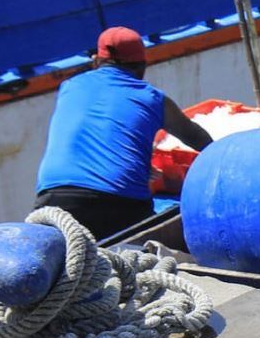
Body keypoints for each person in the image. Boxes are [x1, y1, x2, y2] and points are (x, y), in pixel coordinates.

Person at [34, 28, 214, 239]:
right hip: (122, 206)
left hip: (56, 200)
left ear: (96, 61)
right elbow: (196, 138)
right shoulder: (152, 99)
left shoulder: (69, 87)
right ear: (142, 66)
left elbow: (98, 129)